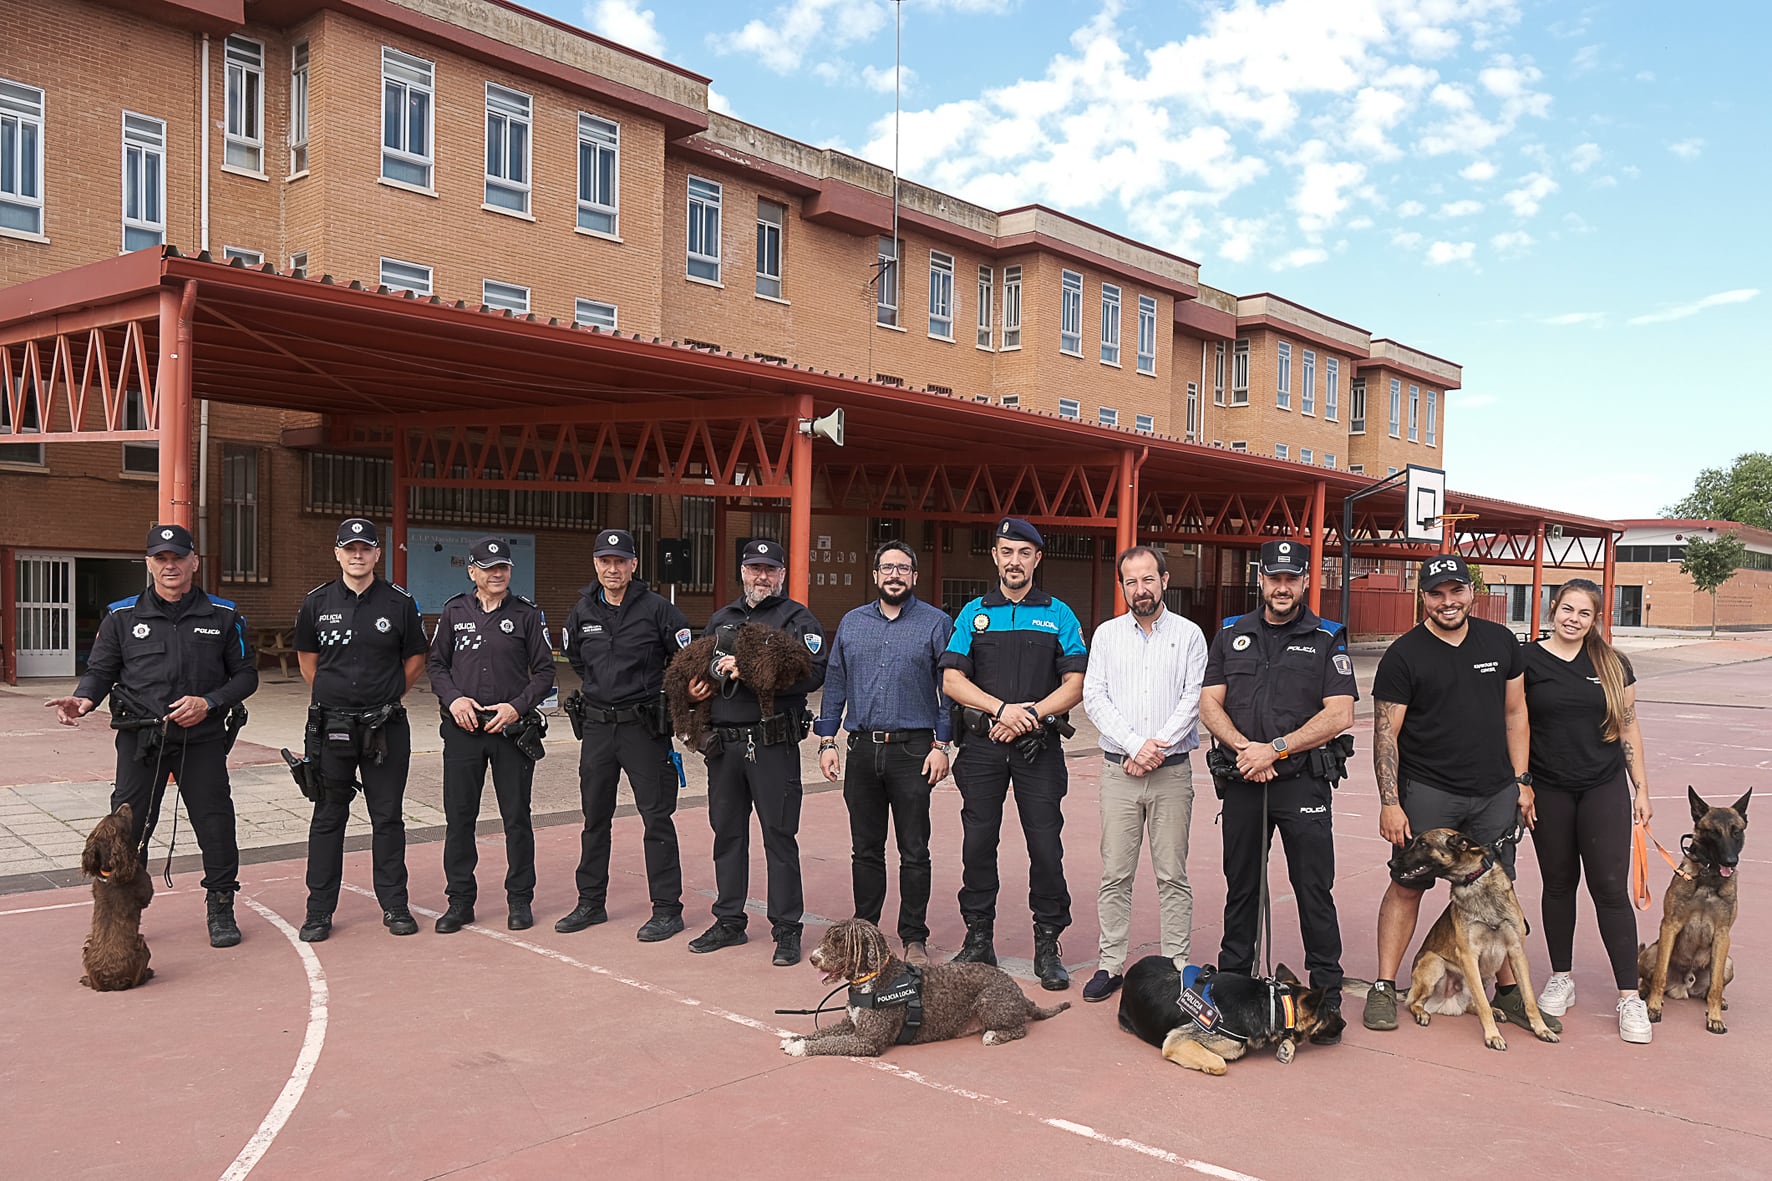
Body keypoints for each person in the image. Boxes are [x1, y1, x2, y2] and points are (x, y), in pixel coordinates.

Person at [1364, 553, 1560, 1035]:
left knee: (1499, 892)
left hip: (1494, 792)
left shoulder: (1500, 641)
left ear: (1472, 592)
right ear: (1423, 597)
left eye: (1456, 591)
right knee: (1408, 885)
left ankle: (1510, 995)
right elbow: (1386, 735)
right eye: (1437, 593)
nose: (1448, 601)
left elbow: (1517, 714)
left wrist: (1522, 780)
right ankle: (1386, 987)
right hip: (1429, 793)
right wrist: (1390, 801)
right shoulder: (1404, 655)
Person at [46, 523, 258, 948]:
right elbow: (102, 671)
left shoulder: (224, 614)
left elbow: (246, 675)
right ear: (149, 564)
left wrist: (209, 702)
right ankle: (121, 915)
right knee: (126, 831)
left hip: (201, 739)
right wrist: (84, 699)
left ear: (194, 561)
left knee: (215, 825)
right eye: (160, 559)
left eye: (178, 557)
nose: (170, 565)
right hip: (140, 740)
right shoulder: (122, 616)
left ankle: (220, 906)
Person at [1197, 539, 1356, 1043]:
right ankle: (1231, 987)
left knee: (1314, 890)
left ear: (1305, 581)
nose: (1282, 586)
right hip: (1245, 778)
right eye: (1273, 577)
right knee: (1241, 888)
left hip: (1303, 782)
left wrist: (1277, 749)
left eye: (1291, 578)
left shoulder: (1327, 637)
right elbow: (1209, 704)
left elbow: (1340, 713)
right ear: (1259, 579)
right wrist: (1248, 749)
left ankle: (1326, 996)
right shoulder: (1230, 633)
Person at [939, 517, 1088, 990]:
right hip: (982, 747)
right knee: (978, 846)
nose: (1014, 561)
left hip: (1036, 749)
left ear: (1037, 559)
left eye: (1024, 553)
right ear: (995, 557)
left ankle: (1048, 943)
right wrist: (1001, 709)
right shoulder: (972, 613)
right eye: (1007, 552)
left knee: (1045, 848)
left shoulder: (1059, 614)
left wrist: (1029, 716)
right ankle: (978, 939)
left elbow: (1077, 683)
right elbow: (952, 680)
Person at [1524, 578, 1655, 1043]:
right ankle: (1562, 976)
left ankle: (1629, 997)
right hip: (1549, 790)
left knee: (1609, 890)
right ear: (1552, 609)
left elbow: (1629, 729)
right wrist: (1521, 785)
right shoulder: (1528, 661)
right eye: (1567, 609)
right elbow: (1513, 724)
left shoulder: (1613, 663)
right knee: (1558, 885)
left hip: (1602, 789)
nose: (1573, 619)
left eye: (1584, 613)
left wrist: (1641, 788)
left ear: (1595, 619)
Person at [685, 538, 826, 966]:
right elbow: (699, 670)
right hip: (724, 746)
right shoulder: (720, 618)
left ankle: (787, 929)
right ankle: (729, 920)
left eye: (769, 569)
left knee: (779, 837)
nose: (761, 576)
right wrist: (695, 693)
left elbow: (813, 673)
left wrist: (752, 670)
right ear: (742, 571)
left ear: (782, 574)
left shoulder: (797, 618)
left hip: (770, 744)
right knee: (727, 835)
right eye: (753, 568)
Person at [815, 540, 955, 967]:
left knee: (914, 849)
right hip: (860, 751)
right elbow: (835, 683)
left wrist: (942, 745)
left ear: (914, 576)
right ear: (875, 575)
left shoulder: (936, 623)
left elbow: (948, 688)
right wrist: (826, 740)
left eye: (903, 568)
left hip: (913, 751)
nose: (894, 575)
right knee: (865, 849)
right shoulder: (852, 624)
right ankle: (867, 932)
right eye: (887, 568)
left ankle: (914, 936)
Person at [1079, 545, 1208, 1004]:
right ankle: (1110, 963)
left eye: (1148, 579)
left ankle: (1176, 966)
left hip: (1171, 774)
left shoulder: (1190, 636)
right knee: (1115, 873)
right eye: (1130, 581)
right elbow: (1094, 698)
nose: (1140, 589)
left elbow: (1192, 700)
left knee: (1172, 874)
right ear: (1123, 587)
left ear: (1165, 580)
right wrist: (1135, 746)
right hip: (1119, 773)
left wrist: (1155, 749)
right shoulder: (1107, 636)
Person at [292, 518, 429, 942]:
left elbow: (415, 660)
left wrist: (384, 697)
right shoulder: (315, 602)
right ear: (337, 553)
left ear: (376, 554)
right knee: (328, 817)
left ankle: (394, 905)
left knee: (387, 817)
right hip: (331, 727)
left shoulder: (399, 602)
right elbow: (307, 660)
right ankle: (318, 911)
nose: (357, 555)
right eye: (349, 548)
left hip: (385, 727)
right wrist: (338, 699)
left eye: (365, 548)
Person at [558, 527, 693, 942]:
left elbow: (685, 661)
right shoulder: (582, 611)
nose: (612, 568)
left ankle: (668, 910)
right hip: (598, 728)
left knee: (656, 819)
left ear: (634, 564)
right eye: (605, 561)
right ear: (595, 564)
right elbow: (578, 661)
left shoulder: (659, 610)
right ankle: (590, 903)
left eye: (620, 561)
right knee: (594, 818)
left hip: (643, 729)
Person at [427, 536, 555, 934]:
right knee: (459, 818)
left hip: (510, 731)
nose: (497, 574)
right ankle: (460, 901)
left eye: (503, 568)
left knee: (516, 818)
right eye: (488, 568)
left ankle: (520, 900)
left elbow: (546, 671)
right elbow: (436, 664)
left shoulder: (528, 615)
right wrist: (453, 700)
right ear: (473, 572)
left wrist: (517, 706)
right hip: (464, 729)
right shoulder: (453, 612)